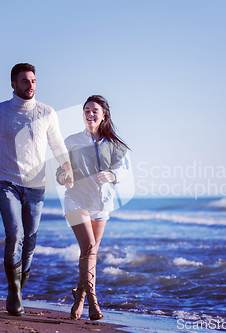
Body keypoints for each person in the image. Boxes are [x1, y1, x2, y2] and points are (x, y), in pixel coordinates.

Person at [0, 63, 73, 316]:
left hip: (36, 185)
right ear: (13, 84)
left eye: (34, 81)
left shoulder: (46, 112)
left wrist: (67, 166)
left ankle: (15, 288)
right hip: (6, 180)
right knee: (15, 234)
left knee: (31, 240)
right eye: (25, 81)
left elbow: (57, 143)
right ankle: (15, 292)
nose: (31, 86)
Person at [56, 95, 129, 321]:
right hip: (76, 199)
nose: (90, 114)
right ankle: (93, 301)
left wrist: (112, 175)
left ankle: (79, 295)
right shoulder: (71, 141)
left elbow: (123, 171)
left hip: (101, 204)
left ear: (104, 115)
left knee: (90, 253)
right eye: (86, 110)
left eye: (94, 111)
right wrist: (64, 177)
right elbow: (60, 172)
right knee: (88, 246)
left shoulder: (114, 145)